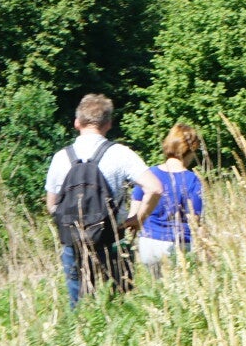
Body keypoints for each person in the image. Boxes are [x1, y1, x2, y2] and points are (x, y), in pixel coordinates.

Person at [45, 94, 163, 307]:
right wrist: (138, 219)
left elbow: (51, 205)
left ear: (77, 123)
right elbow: (155, 188)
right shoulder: (121, 154)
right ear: (108, 124)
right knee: (120, 303)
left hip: (74, 242)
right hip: (112, 238)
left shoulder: (61, 157)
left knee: (79, 306)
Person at [132, 123, 205, 279]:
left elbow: (134, 212)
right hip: (178, 247)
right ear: (191, 149)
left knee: (157, 289)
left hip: (148, 244)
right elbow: (194, 220)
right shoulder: (192, 180)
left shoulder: (148, 174)